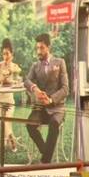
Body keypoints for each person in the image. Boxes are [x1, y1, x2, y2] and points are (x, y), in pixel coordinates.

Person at [24, 32, 68, 163]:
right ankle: (46, 152)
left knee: (54, 124)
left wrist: (51, 99)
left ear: (48, 47)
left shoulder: (60, 63)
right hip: (40, 108)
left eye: (41, 48)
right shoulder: (35, 66)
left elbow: (66, 89)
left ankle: (45, 162)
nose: (39, 51)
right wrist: (35, 89)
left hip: (57, 108)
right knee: (30, 125)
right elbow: (26, 81)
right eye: (37, 48)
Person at [0, 38, 22, 152]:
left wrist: (10, 74)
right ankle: (11, 137)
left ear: (11, 54)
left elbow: (18, 79)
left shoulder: (14, 66)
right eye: (3, 54)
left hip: (9, 100)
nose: (5, 56)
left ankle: (8, 138)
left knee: (6, 119)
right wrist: (0, 77)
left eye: (7, 54)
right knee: (0, 118)